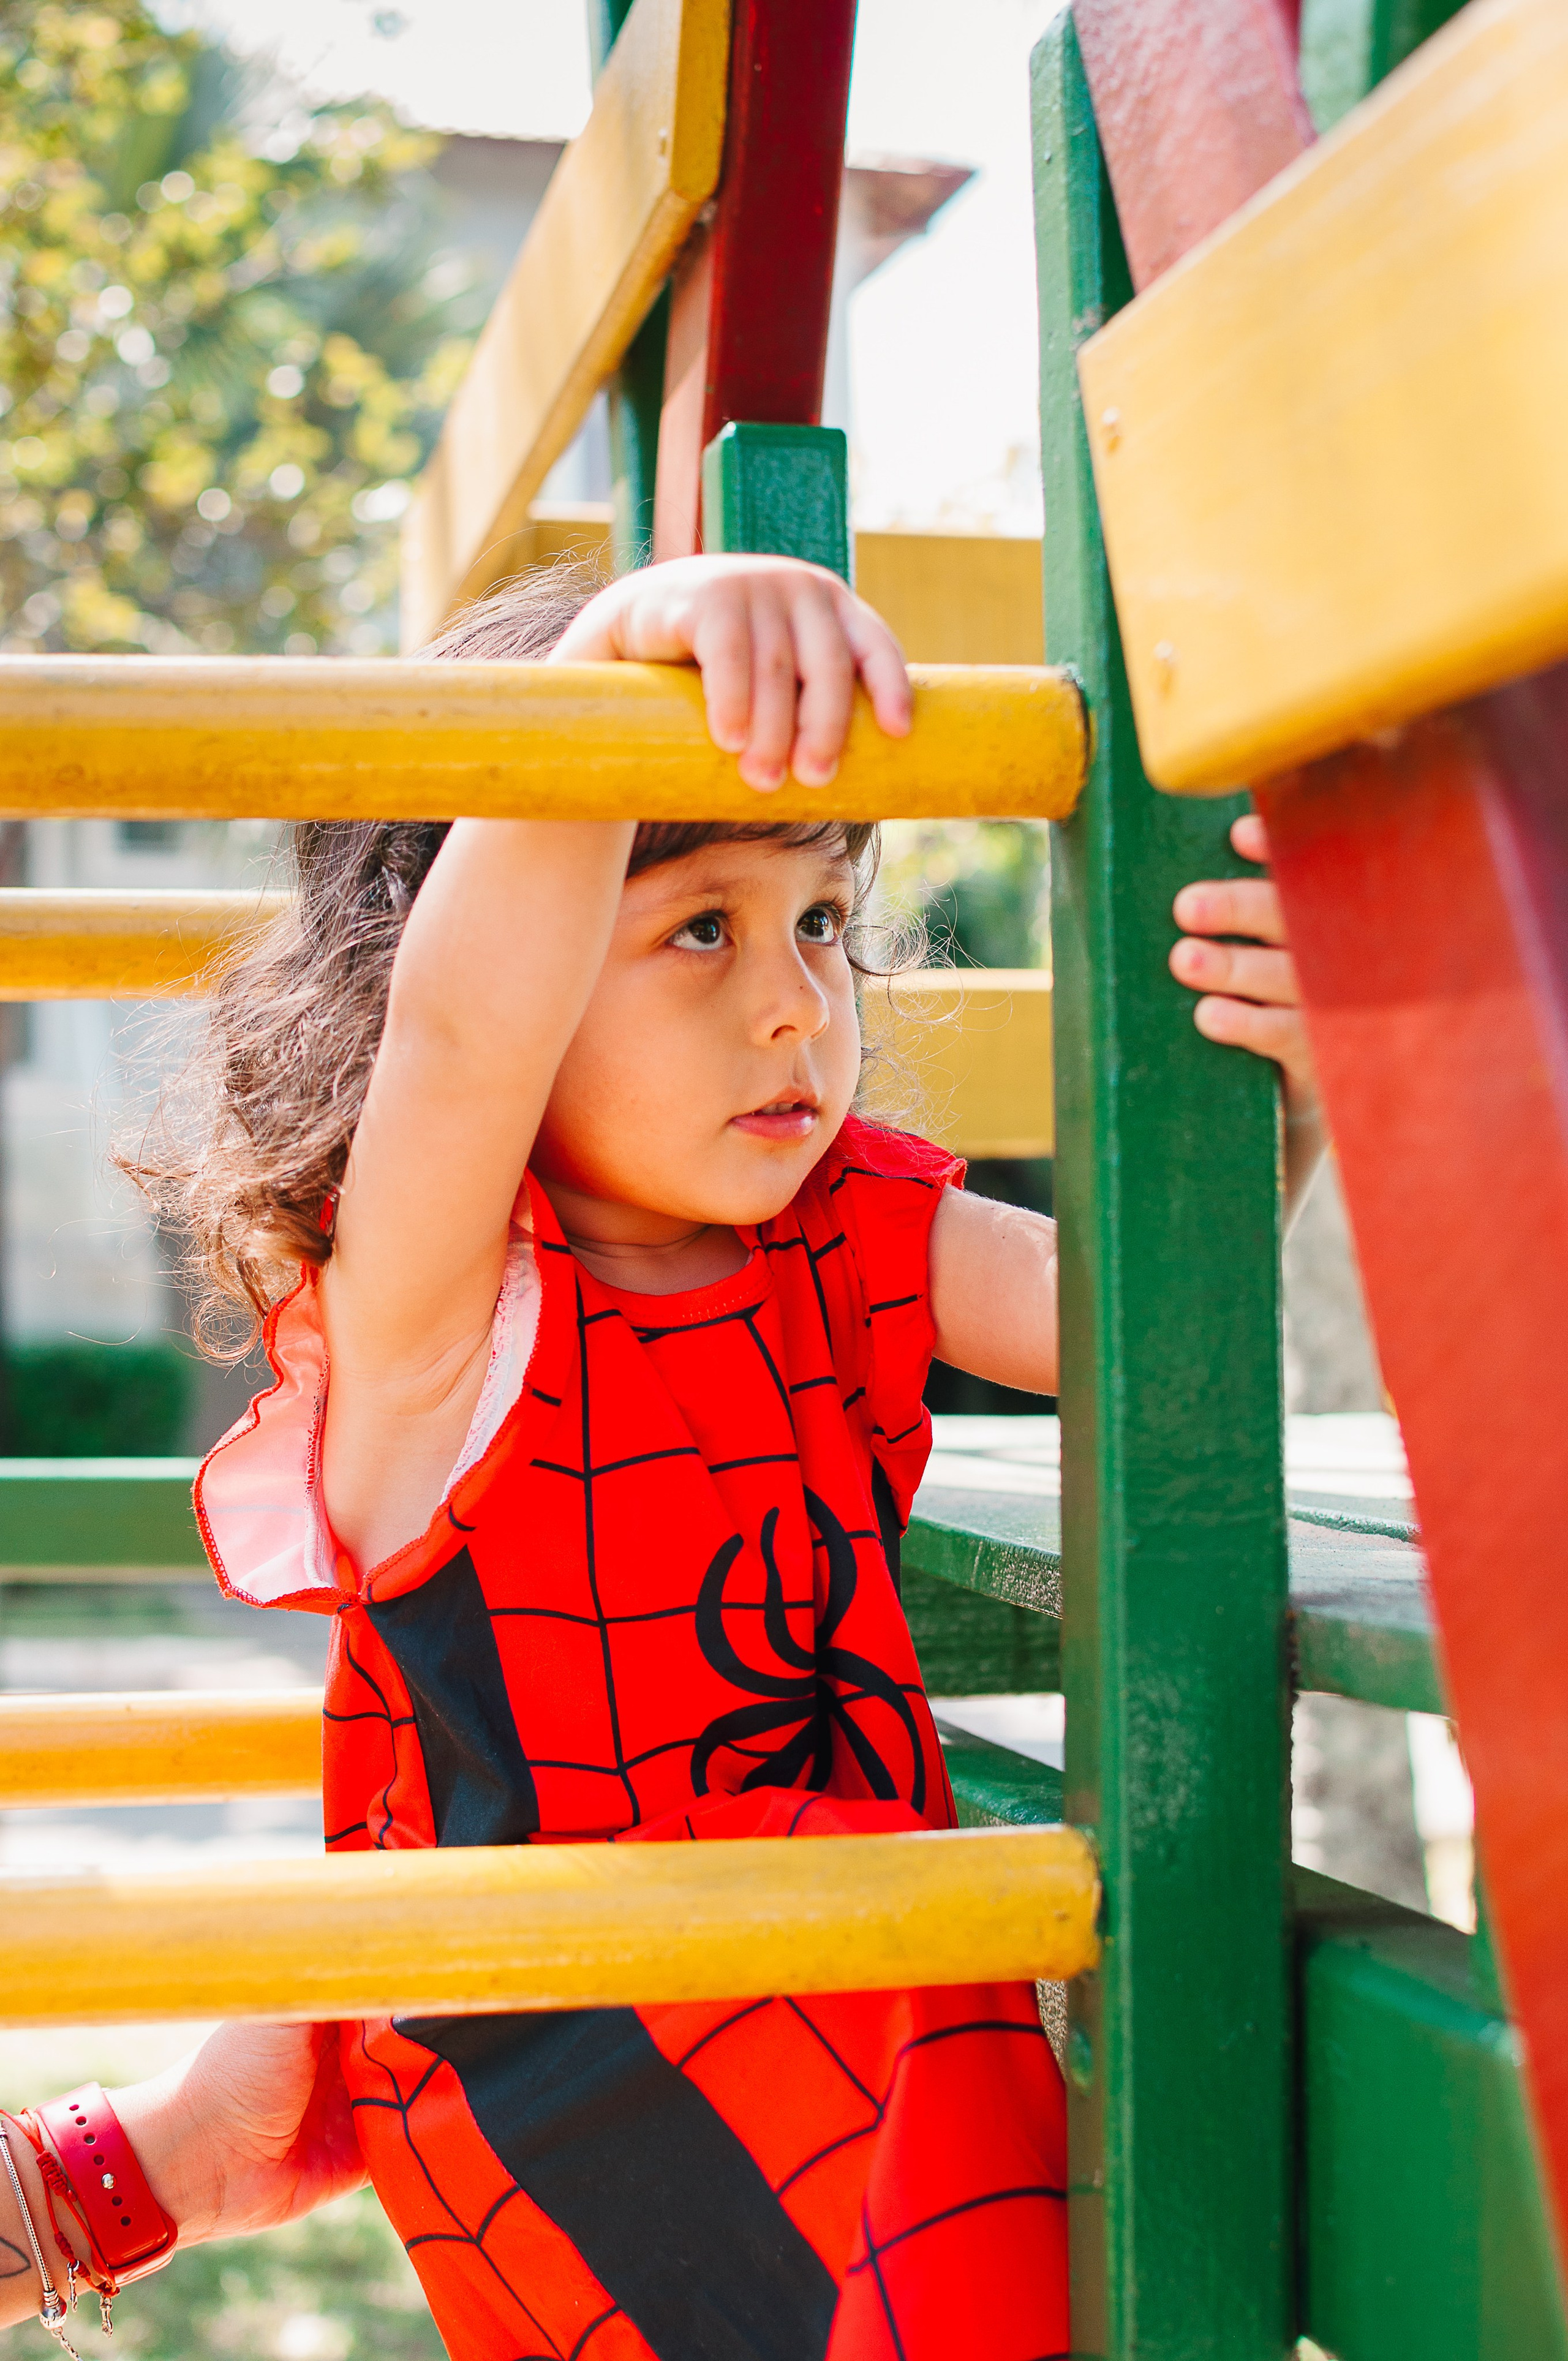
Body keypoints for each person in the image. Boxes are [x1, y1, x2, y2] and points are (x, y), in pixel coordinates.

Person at [0, 555, 1322, 2361]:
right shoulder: (444, 1315)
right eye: (698, 926)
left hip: (872, 2016)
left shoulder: (852, 1231)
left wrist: (1293, 1098)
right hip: (575, 2071)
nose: (794, 1004)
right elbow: (465, 1035)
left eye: (822, 923)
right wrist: (611, 664)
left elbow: (1151, 1338)